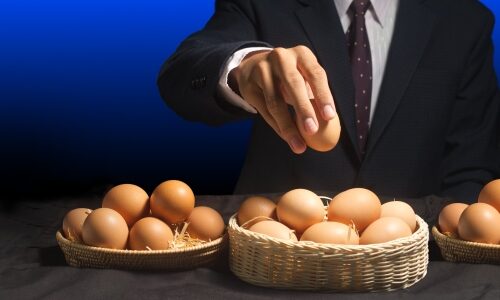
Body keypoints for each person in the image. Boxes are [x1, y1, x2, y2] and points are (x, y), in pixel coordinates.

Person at [157, 0, 500, 201]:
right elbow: (180, 75)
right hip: (273, 258)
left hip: (410, 272)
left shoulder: (464, 19)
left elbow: (470, 170)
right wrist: (241, 67)